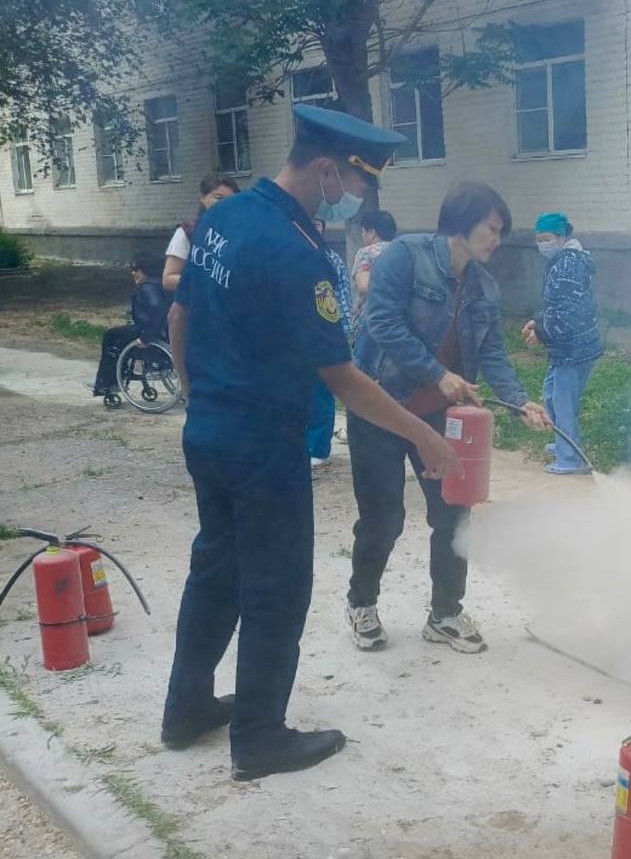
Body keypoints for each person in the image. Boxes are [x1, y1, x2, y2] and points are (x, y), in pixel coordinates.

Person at [161, 104, 458, 782]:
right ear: (326, 168)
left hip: (207, 431)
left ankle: (186, 707)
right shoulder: (299, 253)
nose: (353, 200)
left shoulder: (222, 216)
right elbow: (344, 378)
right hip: (264, 445)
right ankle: (260, 738)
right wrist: (424, 437)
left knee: (216, 570)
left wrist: (197, 397)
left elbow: (180, 315)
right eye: (351, 185)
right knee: (277, 586)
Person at [344, 182, 551, 654]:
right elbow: (382, 323)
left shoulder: (483, 285)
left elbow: (493, 351)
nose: (498, 239)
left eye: (501, 231)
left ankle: (444, 613)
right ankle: (362, 602)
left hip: (439, 419)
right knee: (384, 518)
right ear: (463, 221)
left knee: (453, 512)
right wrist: (437, 373)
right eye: (492, 229)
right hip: (381, 407)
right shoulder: (404, 257)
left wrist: (521, 399)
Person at [520, 212, 602, 475]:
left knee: (563, 401)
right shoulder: (563, 260)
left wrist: (541, 332)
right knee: (552, 394)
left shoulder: (568, 265)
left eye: (547, 238)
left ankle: (570, 459)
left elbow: (567, 314)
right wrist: (538, 321)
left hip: (573, 348)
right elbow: (555, 306)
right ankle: (564, 443)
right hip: (566, 346)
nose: (543, 244)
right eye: (539, 239)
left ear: (562, 237)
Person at [306, 221, 355, 470]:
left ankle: (318, 448)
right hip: (293, 337)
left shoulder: (330, 259)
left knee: (320, 392)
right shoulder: (288, 254)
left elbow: (342, 299)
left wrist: (344, 334)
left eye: (317, 224)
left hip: (323, 335)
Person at [90, 255, 169, 404]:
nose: (133, 273)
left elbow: (156, 309)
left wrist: (146, 337)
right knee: (120, 334)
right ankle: (113, 377)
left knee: (111, 336)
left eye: (136, 269)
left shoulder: (148, 288)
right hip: (165, 333)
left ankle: (107, 382)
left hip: (150, 333)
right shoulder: (164, 285)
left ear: (147, 270)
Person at [162, 173, 240, 294]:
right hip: (200, 306)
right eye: (218, 197)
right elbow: (168, 279)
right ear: (203, 199)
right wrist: (210, 281)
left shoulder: (242, 233)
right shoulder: (188, 232)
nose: (225, 204)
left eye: (232, 200)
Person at [350, 209, 397, 330]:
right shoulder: (402, 251)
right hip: (399, 319)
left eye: (363, 232)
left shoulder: (366, 252)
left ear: (371, 232)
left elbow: (364, 285)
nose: (362, 236)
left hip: (371, 319)